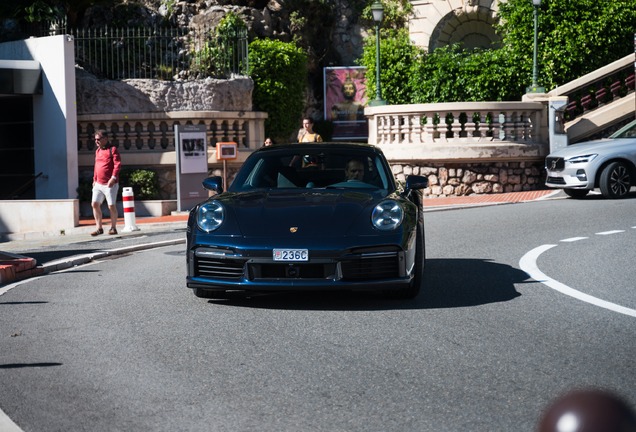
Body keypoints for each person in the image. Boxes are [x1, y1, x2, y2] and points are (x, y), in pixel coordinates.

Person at [91, 129, 121, 236]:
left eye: (98, 139)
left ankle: (113, 228)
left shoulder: (113, 150)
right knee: (94, 204)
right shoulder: (97, 151)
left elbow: (117, 164)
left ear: (105, 139)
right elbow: (96, 166)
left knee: (111, 206)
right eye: (95, 139)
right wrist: (94, 179)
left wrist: (113, 178)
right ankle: (99, 228)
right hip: (98, 183)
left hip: (110, 184)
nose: (96, 141)